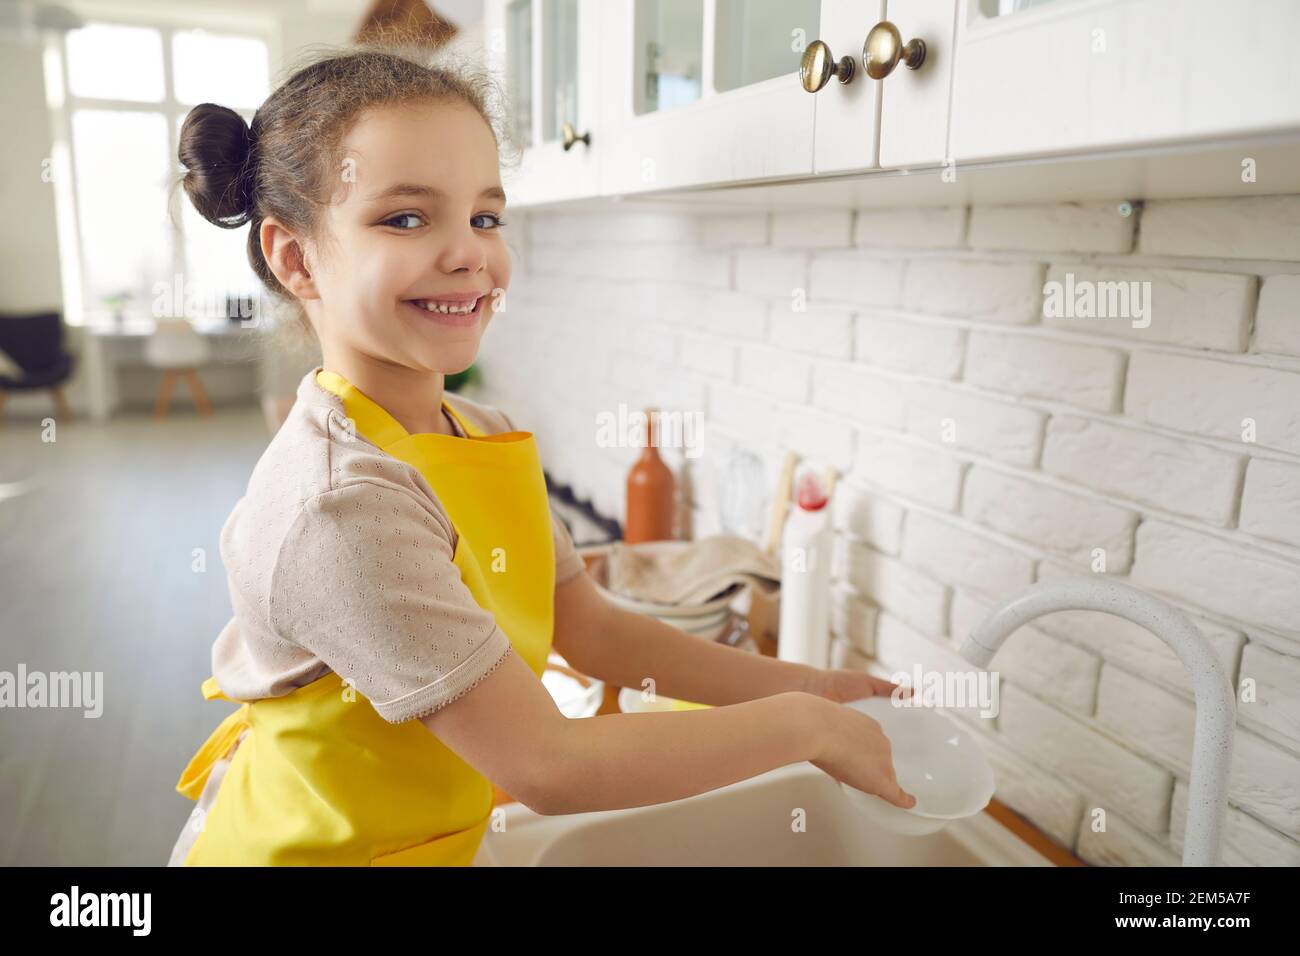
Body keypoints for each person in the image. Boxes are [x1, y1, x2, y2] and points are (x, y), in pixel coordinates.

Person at [169, 45, 915, 867]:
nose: (468, 254)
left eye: (485, 216)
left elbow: (593, 634)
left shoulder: (480, 431)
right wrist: (805, 727)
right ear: (295, 257)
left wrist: (810, 685)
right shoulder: (340, 503)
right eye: (405, 218)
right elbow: (549, 766)